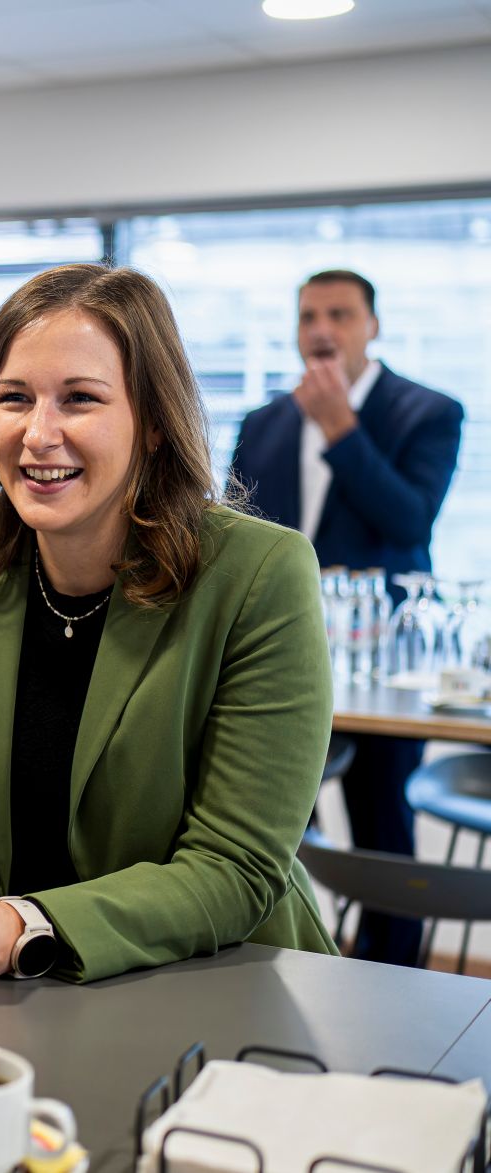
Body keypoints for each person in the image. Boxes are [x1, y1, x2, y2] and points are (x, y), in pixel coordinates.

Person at [0, 264, 338, 993]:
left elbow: (235, 866)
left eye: (80, 399)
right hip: (4, 988)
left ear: (153, 422)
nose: (38, 433)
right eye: (13, 398)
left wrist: (20, 925)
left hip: (221, 981)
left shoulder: (260, 573)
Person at [229, 269, 464, 967]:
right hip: (275, 655)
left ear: (373, 325)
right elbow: (237, 530)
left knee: (382, 825)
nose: (322, 330)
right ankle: (285, 961)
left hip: (385, 664)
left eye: (339, 313)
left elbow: (409, 520)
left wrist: (340, 428)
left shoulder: (428, 411)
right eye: (308, 317)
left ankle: (398, 976)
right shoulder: (264, 422)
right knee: (269, 829)